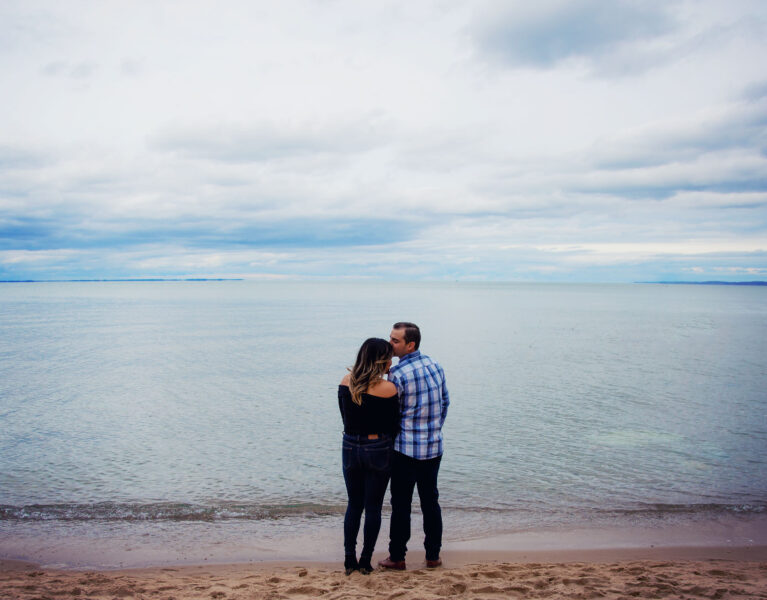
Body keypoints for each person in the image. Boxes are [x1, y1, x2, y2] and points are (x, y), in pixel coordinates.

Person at [378, 322, 450, 571]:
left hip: (405, 449)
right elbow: (445, 402)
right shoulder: (435, 364)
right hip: (433, 447)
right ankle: (433, 556)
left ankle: (397, 557)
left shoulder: (397, 374)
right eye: (390, 338)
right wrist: (433, 429)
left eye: (395, 341)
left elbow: (391, 414)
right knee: (431, 502)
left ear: (411, 344)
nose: (390, 344)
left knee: (401, 505)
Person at [338, 338, 400, 575]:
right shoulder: (388, 389)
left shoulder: (346, 382)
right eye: (389, 359)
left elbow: (345, 417)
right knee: (373, 507)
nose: (391, 364)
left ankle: (348, 559)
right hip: (378, 448)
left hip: (350, 446)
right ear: (381, 361)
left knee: (354, 504)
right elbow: (394, 424)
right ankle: (365, 560)